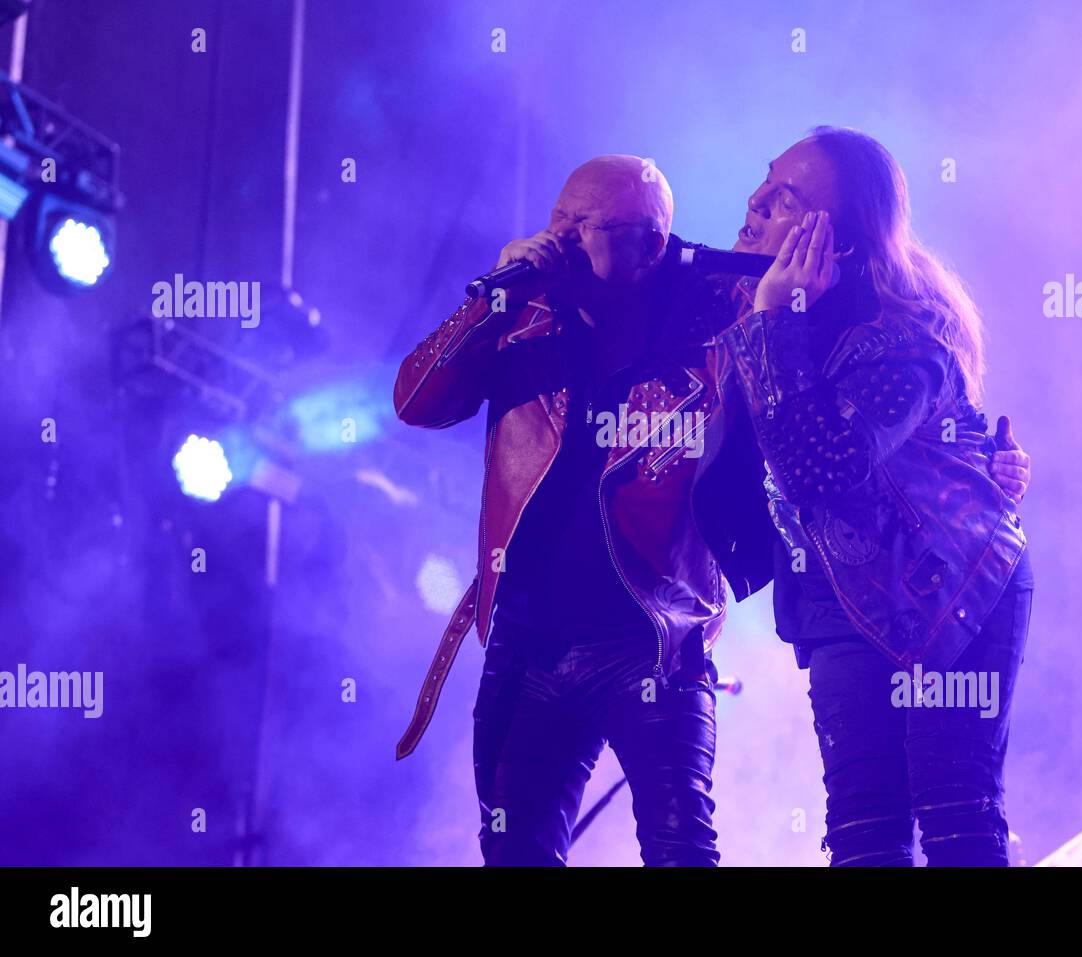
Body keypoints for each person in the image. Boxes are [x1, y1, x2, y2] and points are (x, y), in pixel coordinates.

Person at [393, 152, 1030, 866]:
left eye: (585, 224)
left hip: (709, 626)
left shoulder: (743, 310)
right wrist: (492, 300)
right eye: (556, 219)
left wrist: (983, 463)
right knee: (860, 830)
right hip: (570, 634)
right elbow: (415, 401)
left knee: (935, 818)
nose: (559, 238)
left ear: (648, 241)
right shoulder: (532, 312)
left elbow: (831, 435)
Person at [720, 126, 1034, 865]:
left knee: (956, 813)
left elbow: (819, 467)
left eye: (784, 198)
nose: (755, 203)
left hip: (952, 586)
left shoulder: (905, 331)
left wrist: (776, 321)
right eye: (764, 182)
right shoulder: (742, 297)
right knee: (863, 828)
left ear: (844, 237)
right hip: (836, 591)